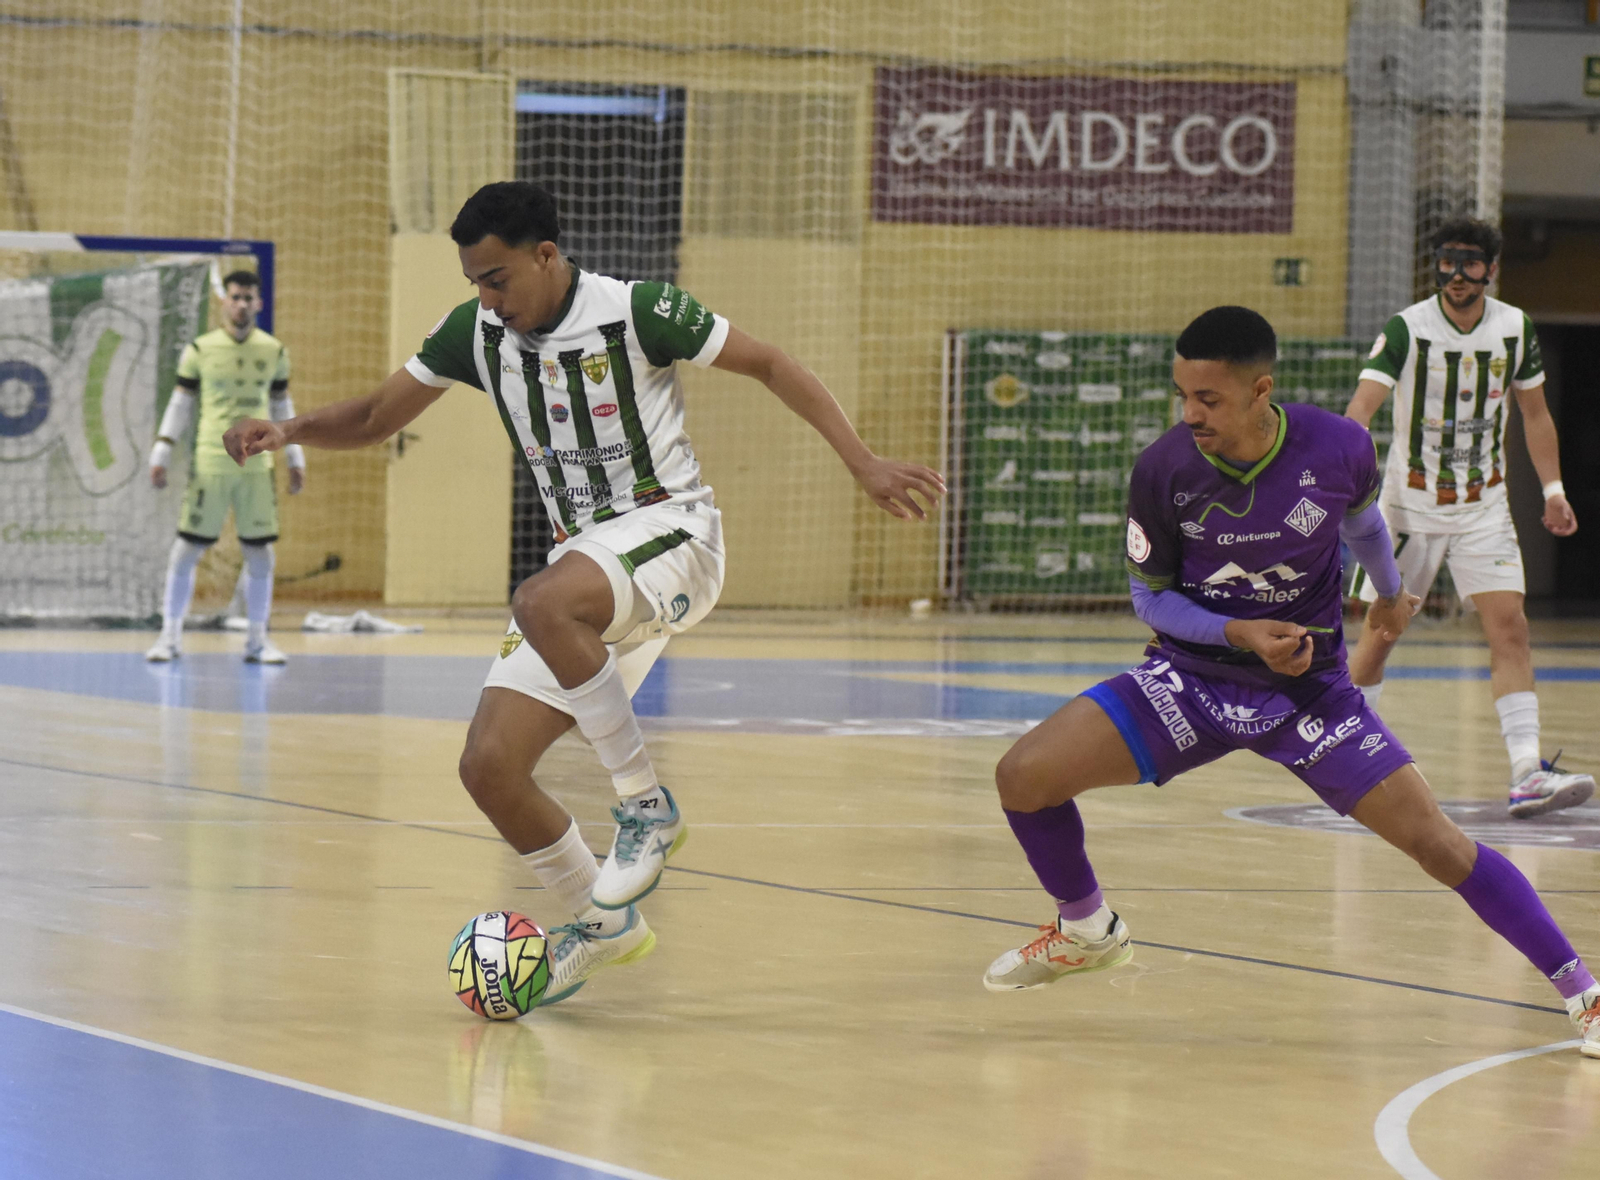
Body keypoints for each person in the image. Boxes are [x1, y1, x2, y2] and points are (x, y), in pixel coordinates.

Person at [222, 181, 944, 1004]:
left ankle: (646, 807)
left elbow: (772, 362)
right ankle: (604, 927)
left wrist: (863, 460)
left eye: (497, 279)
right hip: (590, 564)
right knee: (489, 767)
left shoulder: (637, 311)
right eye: (474, 284)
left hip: (672, 534)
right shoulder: (476, 332)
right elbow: (380, 414)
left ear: (546, 255)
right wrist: (288, 430)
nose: (487, 300)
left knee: (541, 600)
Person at [982, 305, 1599, 1058]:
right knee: (1023, 776)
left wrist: (1389, 594)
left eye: (1208, 399)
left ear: (1259, 390)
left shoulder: (1338, 446)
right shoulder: (1163, 470)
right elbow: (1150, 597)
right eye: (1182, 395)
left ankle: (1584, 993)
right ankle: (1086, 926)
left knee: (1438, 845)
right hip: (1192, 679)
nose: (1191, 414)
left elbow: (1365, 525)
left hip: (1305, 696)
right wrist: (1236, 632)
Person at [1345, 218, 1592, 819]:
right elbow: (1361, 411)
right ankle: (1348, 761)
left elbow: (1534, 415)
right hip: (1409, 509)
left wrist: (1554, 489)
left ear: (1491, 268)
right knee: (1381, 633)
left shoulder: (1515, 327)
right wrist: (1346, 488)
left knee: (1511, 628)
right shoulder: (1407, 328)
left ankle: (1527, 772)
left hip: (1484, 506)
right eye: (1447, 263)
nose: (1457, 276)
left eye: (1470, 264)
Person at [146, 270, 302, 665]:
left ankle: (256, 641)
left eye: (249, 298)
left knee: (261, 556)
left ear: (259, 303)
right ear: (224, 301)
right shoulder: (200, 349)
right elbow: (180, 403)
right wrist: (161, 453)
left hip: (256, 468)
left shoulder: (274, 350)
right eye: (236, 297)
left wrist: (296, 458)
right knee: (186, 551)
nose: (242, 304)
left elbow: (282, 406)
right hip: (211, 464)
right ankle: (169, 637)